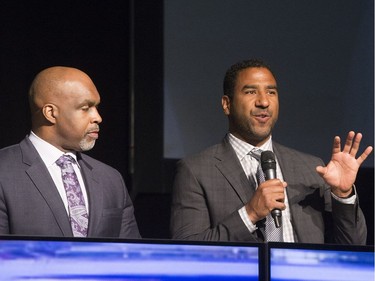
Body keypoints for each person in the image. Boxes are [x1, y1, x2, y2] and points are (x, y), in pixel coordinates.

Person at [170, 59, 372, 244]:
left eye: (271, 92)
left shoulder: (310, 168)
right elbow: (188, 251)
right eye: (250, 92)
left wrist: (343, 195)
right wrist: (249, 214)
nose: (263, 102)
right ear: (227, 104)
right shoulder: (196, 171)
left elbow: (353, 246)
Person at [0, 66, 141, 238]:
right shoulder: (4, 172)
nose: (97, 117)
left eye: (96, 107)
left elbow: (130, 256)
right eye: (85, 107)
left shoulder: (110, 179)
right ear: (51, 113)